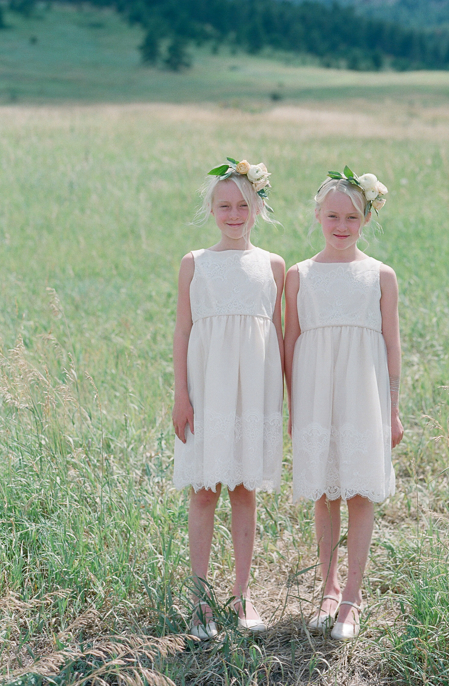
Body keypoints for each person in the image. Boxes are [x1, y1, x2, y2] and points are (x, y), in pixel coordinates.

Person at [284, 167, 404, 641]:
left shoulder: (380, 275)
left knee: (358, 490)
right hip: (315, 393)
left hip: (363, 394)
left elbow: (392, 345)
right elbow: (291, 343)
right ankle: (327, 588)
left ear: (366, 219)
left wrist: (392, 408)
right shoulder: (299, 275)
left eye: (351, 217)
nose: (341, 225)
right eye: (332, 215)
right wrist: (293, 407)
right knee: (325, 491)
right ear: (317, 215)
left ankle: (351, 598)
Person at [172, 158, 285, 639]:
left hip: (253, 391)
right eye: (224, 205)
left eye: (243, 204)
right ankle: (200, 604)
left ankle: (242, 596)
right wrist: (181, 395)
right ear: (211, 209)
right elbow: (182, 330)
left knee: (245, 490)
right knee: (204, 491)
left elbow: (277, 336)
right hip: (206, 388)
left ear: (258, 207)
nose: (234, 213)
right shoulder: (195, 262)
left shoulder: (274, 266)